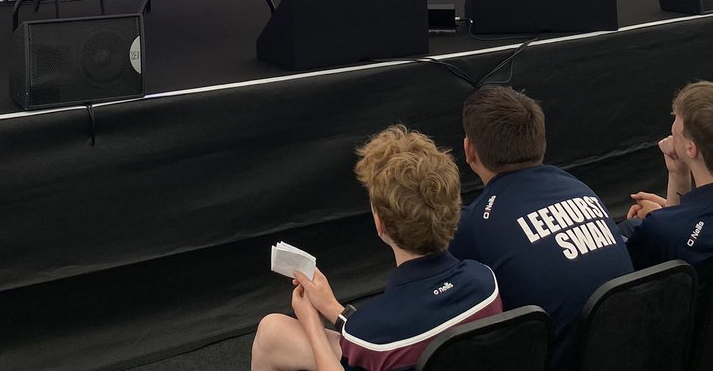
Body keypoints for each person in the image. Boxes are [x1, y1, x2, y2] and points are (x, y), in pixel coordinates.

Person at [251, 126, 500, 371]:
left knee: (270, 330)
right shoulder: (485, 282)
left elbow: (374, 339)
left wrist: (311, 324)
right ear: (453, 209)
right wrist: (332, 308)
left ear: (380, 223)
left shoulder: (373, 334)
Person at [450, 86, 631, 370]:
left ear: (469, 151)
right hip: (626, 353)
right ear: (541, 141)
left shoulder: (473, 225)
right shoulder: (579, 187)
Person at [625, 81, 713, 284]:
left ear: (691, 149)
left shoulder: (661, 228)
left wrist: (658, 219)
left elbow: (637, 270)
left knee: (628, 227)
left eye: (675, 131)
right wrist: (678, 175)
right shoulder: (668, 226)